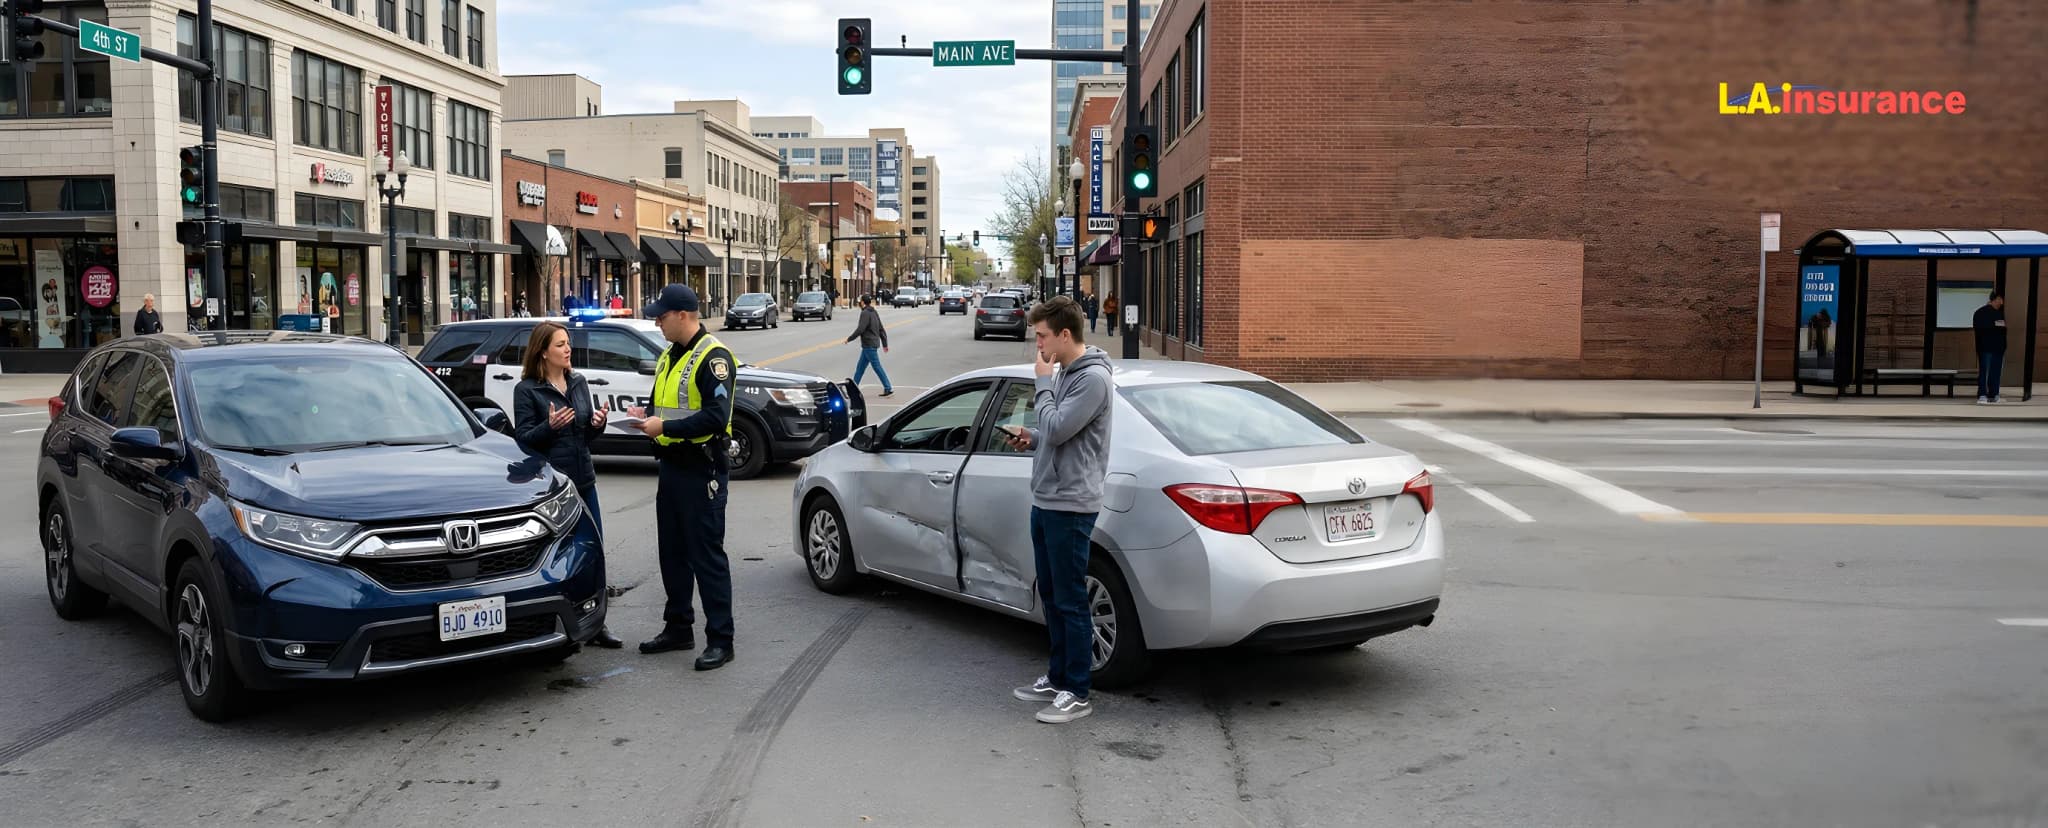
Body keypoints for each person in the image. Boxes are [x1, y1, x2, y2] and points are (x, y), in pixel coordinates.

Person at [1004, 295, 1115, 725]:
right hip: (1047, 497)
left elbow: (1059, 424)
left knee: (1071, 600)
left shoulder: (1092, 381)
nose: (1038, 346)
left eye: (1042, 336)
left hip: (1071, 503)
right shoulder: (1068, 372)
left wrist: (1042, 383)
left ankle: (1077, 690)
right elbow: (1053, 432)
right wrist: (1031, 438)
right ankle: (1056, 677)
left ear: (1064, 335)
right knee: (1050, 594)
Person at [628, 284, 737, 670]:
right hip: (672, 468)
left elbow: (715, 417)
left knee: (706, 556)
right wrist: (645, 416)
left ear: (683, 315)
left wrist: (666, 428)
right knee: (672, 554)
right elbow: (665, 405)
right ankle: (678, 627)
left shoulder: (714, 357)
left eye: (662, 316)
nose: (657, 321)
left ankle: (721, 639)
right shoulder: (668, 356)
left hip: (701, 469)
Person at [510, 322, 625, 648]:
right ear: (544, 352)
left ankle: (596, 623)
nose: (567, 349)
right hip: (553, 489)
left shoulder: (577, 381)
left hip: (584, 480)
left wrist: (596, 424)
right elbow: (524, 441)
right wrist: (549, 427)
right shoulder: (528, 390)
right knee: (558, 557)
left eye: (567, 343)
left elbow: (585, 436)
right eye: (560, 344)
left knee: (594, 552)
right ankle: (554, 620)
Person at [845, 294, 894, 398]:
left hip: (869, 344)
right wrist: (885, 343)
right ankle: (853, 389)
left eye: (860, 301)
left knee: (877, 367)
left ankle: (888, 387)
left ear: (862, 302)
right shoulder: (874, 312)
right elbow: (881, 328)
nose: (859, 303)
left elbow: (860, 329)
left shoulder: (865, 313)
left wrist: (849, 338)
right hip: (870, 344)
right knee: (860, 368)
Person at [1975, 290, 2008, 404]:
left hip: (1998, 349)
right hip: (1986, 348)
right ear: (1997, 298)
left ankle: (1994, 394)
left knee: (1996, 372)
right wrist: (1995, 328)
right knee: (1985, 371)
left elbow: (2002, 330)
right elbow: (1982, 330)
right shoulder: (1980, 312)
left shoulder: (1999, 313)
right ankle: (1982, 395)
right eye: (2001, 300)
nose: (2002, 303)